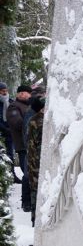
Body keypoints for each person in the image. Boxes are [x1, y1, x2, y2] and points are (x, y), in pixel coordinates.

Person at [6, 85, 32, 211]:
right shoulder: (14, 107)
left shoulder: (28, 106)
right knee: (27, 174)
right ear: (19, 94)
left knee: (31, 173)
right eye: (26, 93)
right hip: (23, 146)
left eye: (28, 93)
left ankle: (31, 200)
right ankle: (26, 202)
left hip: (31, 145)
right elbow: (18, 124)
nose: (27, 95)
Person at [26, 96, 46, 226]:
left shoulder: (35, 120)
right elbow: (32, 145)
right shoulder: (37, 121)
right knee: (37, 189)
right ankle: (36, 220)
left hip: (35, 161)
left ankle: (36, 219)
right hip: (37, 161)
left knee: (36, 189)